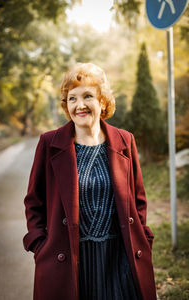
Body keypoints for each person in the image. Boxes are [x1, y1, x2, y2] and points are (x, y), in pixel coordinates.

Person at [23, 62, 157, 300]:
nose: (80, 105)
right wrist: (39, 245)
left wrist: (143, 238)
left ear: (102, 101)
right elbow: (34, 202)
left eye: (87, 96)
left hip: (120, 258)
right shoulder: (49, 143)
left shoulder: (124, 141)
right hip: (69, 261)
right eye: (72, 98)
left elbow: (138, 200)